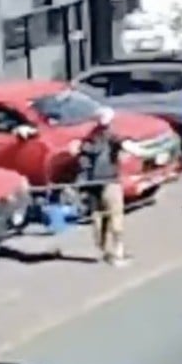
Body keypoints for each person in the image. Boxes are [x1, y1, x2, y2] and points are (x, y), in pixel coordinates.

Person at [79, 107, 130, 266]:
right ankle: (117, 253)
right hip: (110, 180)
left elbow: (83, 161)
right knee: (116, 214)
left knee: (98, 216)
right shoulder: (112, 137)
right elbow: (123, 147)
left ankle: (101, 250)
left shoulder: (89, 138)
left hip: (93, 182)